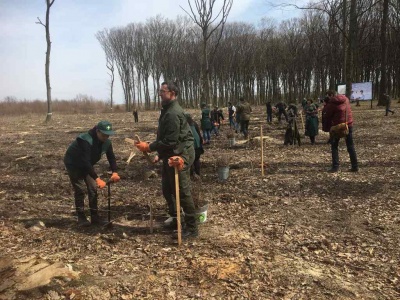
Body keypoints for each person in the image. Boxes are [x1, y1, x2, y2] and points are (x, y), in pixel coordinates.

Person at [135, 81, 198, 239]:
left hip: (181, 156)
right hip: (170, 153)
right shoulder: (166, 110)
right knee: (167, 189)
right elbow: (168, 139)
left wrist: (149, 147)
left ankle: (192, 228)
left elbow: (171, 141)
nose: (160, 94)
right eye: (160, 91)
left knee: (182, 192)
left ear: (173, 93)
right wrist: (160, 154)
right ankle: (177, 218)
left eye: (163, 91)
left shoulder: (172, 113)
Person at [64, 120, 120, 226]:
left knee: (93, 188)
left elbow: (111, 157)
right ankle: (81, 217)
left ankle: (95, 217)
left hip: (87, 165)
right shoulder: (85, 140)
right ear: (97, 131)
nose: (105, 138)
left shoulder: (107, 142)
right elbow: (85, 161)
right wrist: (97, 178)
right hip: (74, 164)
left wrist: (115, 172)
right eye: (103, 135)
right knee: (80, 189)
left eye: (108, 135)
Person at [325, 90, 358, 173]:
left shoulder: (332, 103)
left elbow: (328, 115)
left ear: (332, 95)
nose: (327, 98)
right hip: (348, 124)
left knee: (334, 146)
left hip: (337, 127)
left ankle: (335, 167)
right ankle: (355, 166)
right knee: (350, 146)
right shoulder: (346, 99)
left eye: (328, 96)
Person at [185, 113, 204, 178]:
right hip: (197, 145)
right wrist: (201, 142)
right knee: (196, 159)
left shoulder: (185, 126)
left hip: (191, 145)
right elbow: (199, 134)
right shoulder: (194, 123)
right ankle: (197, 173)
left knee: (190, 160)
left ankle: (191, 174)